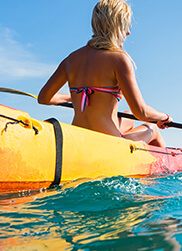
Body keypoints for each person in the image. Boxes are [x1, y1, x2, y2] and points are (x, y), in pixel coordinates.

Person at [38, 0, 172, 147]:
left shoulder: (71, 59)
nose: (128, 32)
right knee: (152, 128)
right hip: (108, 143)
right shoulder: (119, 59)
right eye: (126, 27)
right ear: (117, 27)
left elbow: (44, 98)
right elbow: (141, 111)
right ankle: (161, 168)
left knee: (128, 115)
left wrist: (74, 98)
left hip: (79, 137)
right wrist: (163, 117)